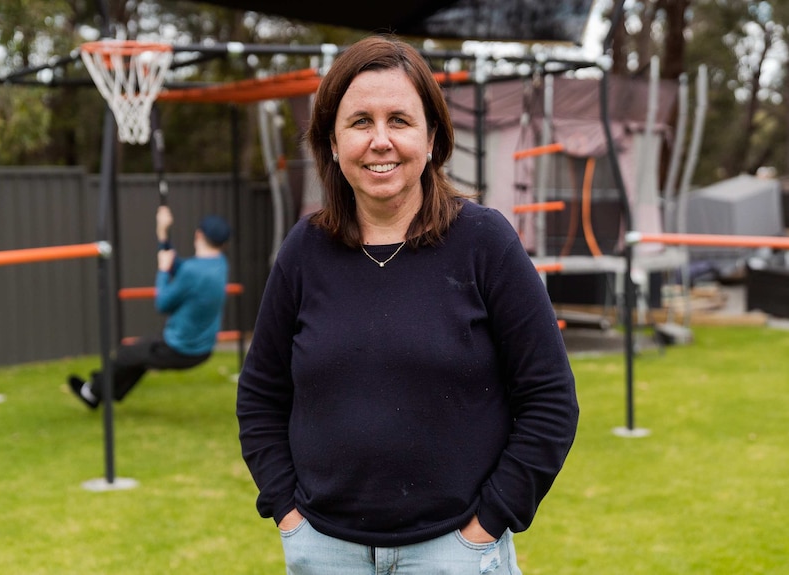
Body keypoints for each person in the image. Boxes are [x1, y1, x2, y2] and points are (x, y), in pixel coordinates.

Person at [236, 34, 578, 574]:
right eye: (359, 122)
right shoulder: (305, 251)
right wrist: (287, 515)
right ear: (330, 141)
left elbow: (551, 402)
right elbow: (260, 397)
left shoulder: (484, 243)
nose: (380, 140)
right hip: (325, 552)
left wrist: (483, 529)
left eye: (399, 120)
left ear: (433, 136)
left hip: (454, 551)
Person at [67, 205, 230, 409]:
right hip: (202, 347)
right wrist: (162, 233)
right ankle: (99, 393)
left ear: (198, 234)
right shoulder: (220, 265)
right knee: (137, 357)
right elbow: (181, 268)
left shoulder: (192, 271)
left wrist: (162, 270)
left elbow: (162, 303)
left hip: (181, 348)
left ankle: (92, 392)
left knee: (126, 354)